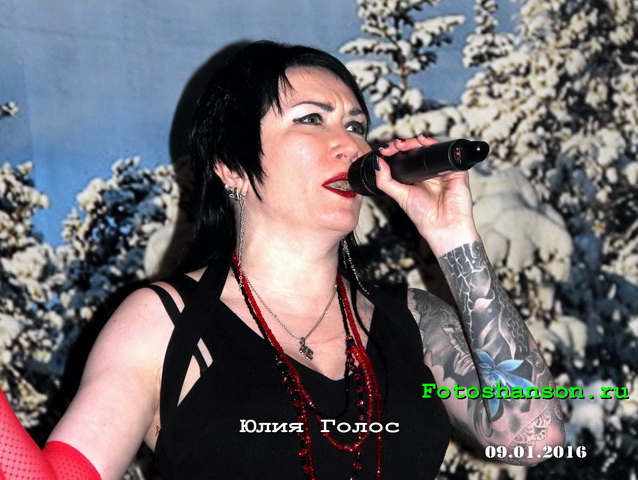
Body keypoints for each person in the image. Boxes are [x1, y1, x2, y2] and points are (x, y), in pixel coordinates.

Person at [0, 40, 565, 480]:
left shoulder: (413, 321)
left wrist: (454, 238)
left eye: (356, 125)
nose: (350, 144)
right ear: (231, 164)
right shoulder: (164, 324)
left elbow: (533, 439)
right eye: (312, 119)